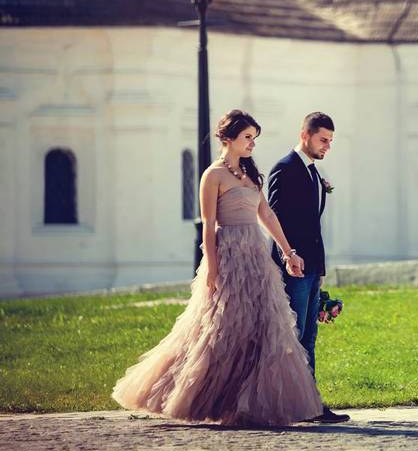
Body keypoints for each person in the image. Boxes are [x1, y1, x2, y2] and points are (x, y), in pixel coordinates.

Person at [112, 110, 323, 426]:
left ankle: (246, 404)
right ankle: (202, 397)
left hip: (256, 258)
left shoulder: (251, 175)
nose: (252, 143)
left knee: (262, 328)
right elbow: (209, 226)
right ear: (228, 139)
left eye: (254, 137)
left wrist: (287, 251)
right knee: (222, 330)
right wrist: (210, 268)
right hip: (228, 257)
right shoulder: (212, 176)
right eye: (247, 137)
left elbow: (266, 214)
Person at [269, 111, 349, 423]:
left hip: (313, 265)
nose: (327, 146)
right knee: (294, 334)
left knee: (309, 337)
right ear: (306, 135)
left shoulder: (314, 173)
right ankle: (285, 404)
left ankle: (311, 405)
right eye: (323, 139)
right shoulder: (285, 168)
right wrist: (289, 255)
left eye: (330, 141)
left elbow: (313, 225)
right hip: (294, 266)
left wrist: (321, 268)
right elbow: (275, 216)